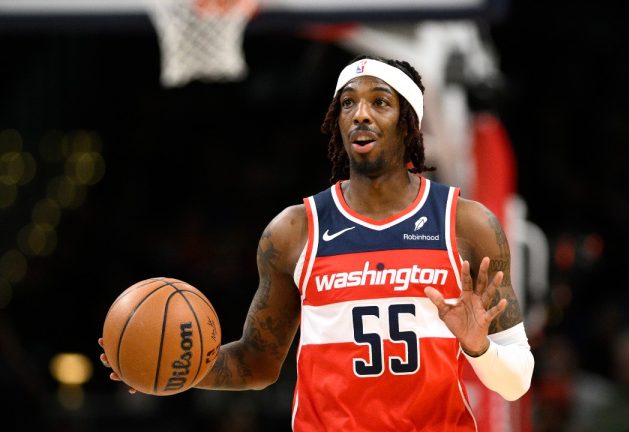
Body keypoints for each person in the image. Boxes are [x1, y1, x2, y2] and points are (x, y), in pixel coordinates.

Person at [100, 55, 534, 430]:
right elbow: (257, 362)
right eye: (348, 103)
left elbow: (517, 381)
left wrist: (478, 347)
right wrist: (170, 366)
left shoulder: (467, 225)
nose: (360, 114)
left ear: (409, 124)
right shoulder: (293, 232)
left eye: (379, 102)